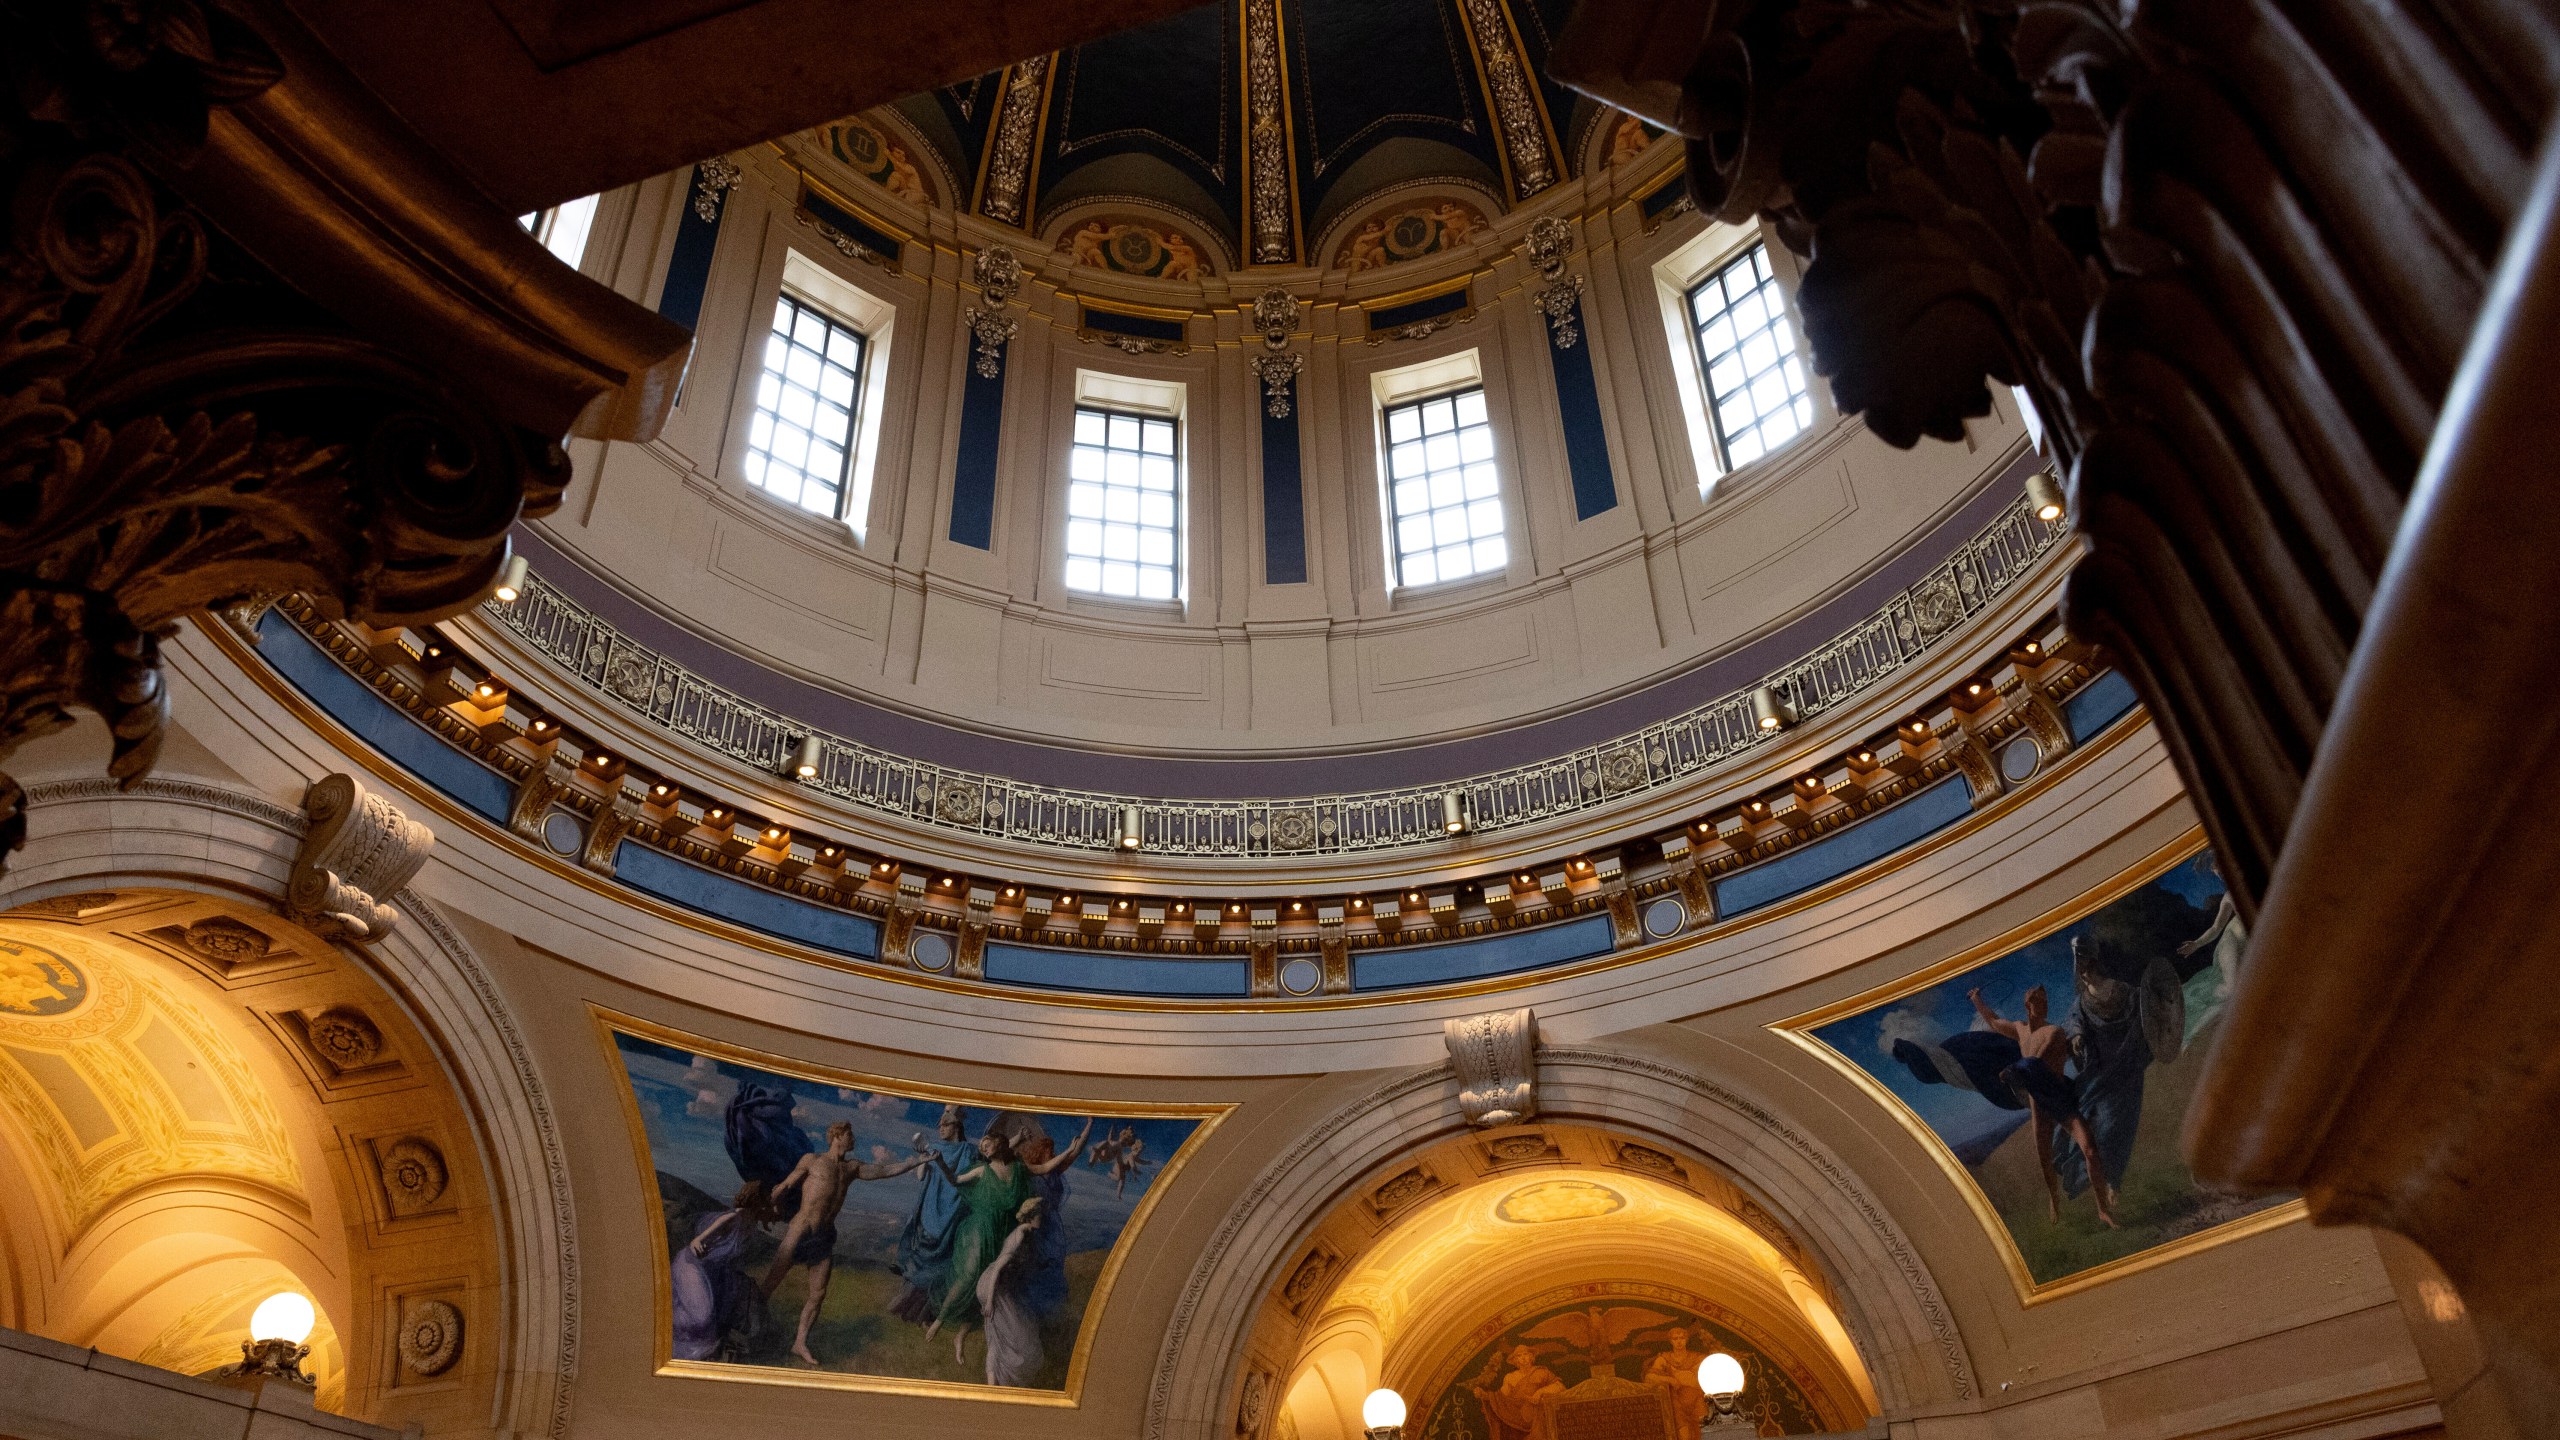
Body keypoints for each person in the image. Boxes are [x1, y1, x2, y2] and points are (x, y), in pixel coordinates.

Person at [760, 1121, 930, 1365]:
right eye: (850, 1135)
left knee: (818, 1294)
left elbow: (884, 1170)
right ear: (837, 1136)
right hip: (800, 1229)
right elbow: (786, 1184)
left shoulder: (852, 1168)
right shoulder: (813, 1160)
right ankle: (748, 1323)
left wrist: (916, 1162)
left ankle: (799, 1343)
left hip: (824, 1235)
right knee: (772, 1280)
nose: (854, 1139)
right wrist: (775, 1204)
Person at [1970, 982, 2119, 1228]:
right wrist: (1977, 999)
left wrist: (2014, 1071)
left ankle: (2102, 1210)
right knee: (2044, 1159)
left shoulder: (2054, 1032)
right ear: (2028, 1004)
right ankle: (2054, 1197)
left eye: (2046, 1000)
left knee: (2090, 1150)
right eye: (2040, 1000)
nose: (2045, 1004)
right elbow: (1995, 1022)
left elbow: (2035, 1063)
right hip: (2038, 1104)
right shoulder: (2020, 1030)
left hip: (2059, 1097)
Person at [923, 1130, 1036, 1365]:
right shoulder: (982, 1170)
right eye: (982, 1145)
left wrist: (1071, 1150)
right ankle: (939, 1320)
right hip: (979, 1229)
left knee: (986, 1285)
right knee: (969, 1274)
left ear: (999, 1144)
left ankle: (961, 1336)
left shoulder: (1017, 1170)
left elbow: (1043, 1169)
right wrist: (940, 1162)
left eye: (987, 1143)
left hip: (1001, 1233)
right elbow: (955, 1180)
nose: (983, 1147)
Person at [891, 1104, 979, 1323]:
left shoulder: (969, 1151)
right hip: (931, 1210)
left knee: (944, 1263)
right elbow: (921, 1176)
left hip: (955, 1211)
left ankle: (925, 1312)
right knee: (921, 1256)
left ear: (956, 1126)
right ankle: (906, 1304)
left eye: (945, 1125)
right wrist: (923, 1157)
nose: (941, 1128)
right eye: (940, 1125)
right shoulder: (934, 1148)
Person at [671, 1181, 774, 1361]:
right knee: (701, 1317)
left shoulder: (751, 1226)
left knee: (717, 1318)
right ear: (758, 1200)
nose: (768, 1205)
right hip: (692, 1264)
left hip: (713, 1270)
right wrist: (698, 1241)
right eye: (766, 1201)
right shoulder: (735, 1216)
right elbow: (700, 1239)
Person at [1014, 1118, 1092, 1317]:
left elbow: (1077, 1150)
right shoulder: (1030, 1170)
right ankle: (1032, 1309)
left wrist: (1089, 1124)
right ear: (1040, 1152)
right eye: (1050, 1151)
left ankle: (1052, 1308)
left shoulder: (1056, 1169)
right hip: (1036, 1224)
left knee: (1054, 1260)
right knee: (1034, 1263)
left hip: (1053, 1225)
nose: (1054, 1154)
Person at [974, 1196, 1047, 1386]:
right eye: (1039, 1215)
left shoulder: (1026, 1233)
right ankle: (994, 1384)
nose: (1041, 1218)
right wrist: (990, 1301)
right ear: (1031, 1216)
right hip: (993, 1285)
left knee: (997, 1336)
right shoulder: (1020, 1234)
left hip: (996, 1285)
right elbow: (999, 1267)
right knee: (1013, 1335)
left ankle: (991, 1385)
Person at [1471, 1344, 1566, 1440]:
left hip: (1538, 1416)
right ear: (1515, 1360)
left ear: (1531, 1356)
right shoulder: (1510, 1377)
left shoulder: (1541, 1372)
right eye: (1519, 1356)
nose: (1523, 1358)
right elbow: (1501, 1399)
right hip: (1516, 1416)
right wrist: (1484, 1395)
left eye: (1525, 1354)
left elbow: (1560, 1386)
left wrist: (1540, 1391)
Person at [1642, 1327, 1710, 1435]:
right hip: (1676, 1401)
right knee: (1683, 1433)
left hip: (1696, 1399)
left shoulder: (1696, 1358)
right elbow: (1649, 1378)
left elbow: (1705, 1378)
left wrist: (1685, 1378)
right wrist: (1669, 1379)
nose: (1679, 1341)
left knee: (1704, 1431)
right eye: (1675, 1339)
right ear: (1671, 1341)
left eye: (1681, 1338)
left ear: (1686, 1340)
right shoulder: (1664, 1358)